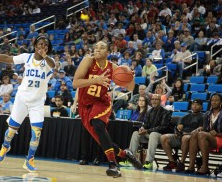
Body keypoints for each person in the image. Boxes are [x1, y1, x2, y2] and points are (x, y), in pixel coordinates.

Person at [0, 35, 55, 172]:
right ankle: (5, 146)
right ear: (35, 45)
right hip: (22, 98)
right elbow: (7, 58)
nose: (42, 47)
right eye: (40, 44)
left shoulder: (50, 62)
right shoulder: (27, 57)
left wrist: (45, 56)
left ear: (48, 48)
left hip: (37, 102)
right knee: (11, 131)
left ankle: (29, 159)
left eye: (45, 45)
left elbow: (54, 65)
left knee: (36, 133)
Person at [73, 40, 142, 178]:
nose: (97, 49)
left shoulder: (113, 68)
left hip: (101, 103)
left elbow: (129, 88)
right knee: (101, 139)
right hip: (84, 105)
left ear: (108, 52)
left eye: (102, 47)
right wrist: (95, 80)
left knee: (98, 124)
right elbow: (75, 83)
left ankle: (113, 164)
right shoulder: (88, 61)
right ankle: (125, 154)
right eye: (96, 47)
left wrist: (131, 77)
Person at [186, 93, 222, 175]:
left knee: (201, 134)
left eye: (216, 100)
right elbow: (206, 130)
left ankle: (205, 166)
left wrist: (218, 134)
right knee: (195, 133)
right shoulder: (207, 114)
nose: (213, 102)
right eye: (212, 100)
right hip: (208, 139)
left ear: (221, 102)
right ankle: (191, 165)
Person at [129, 94, 172, 170]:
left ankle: (148, 162)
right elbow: (146, 124)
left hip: (160, 136)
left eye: (156, 99)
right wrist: (142, 128)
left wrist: (147, 130)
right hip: (148, 135)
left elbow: (163, 127)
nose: (154, 101)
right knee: (136, 133)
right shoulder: (149, 111)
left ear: (160, 101)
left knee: (153, 134)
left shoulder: (165, 112)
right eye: (153, 99)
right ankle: (131, 159)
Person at [160, 99, 204, 172]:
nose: (195, 106)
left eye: (197, 105)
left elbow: (201, 129)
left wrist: (187, 133)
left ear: (201, 107)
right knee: (163, 137)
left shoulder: (203, 117)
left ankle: (181, 163)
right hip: (181, 136)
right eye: (193, 104)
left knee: (185, 138)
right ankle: (172, 161)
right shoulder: (186, 116)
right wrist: (177, 131)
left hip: (193, 138)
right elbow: (179, 127)